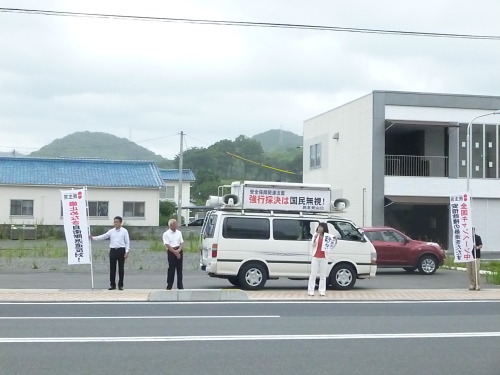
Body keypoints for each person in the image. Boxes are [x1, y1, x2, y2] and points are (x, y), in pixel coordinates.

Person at [90, 216, 130, 290]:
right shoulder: (111, 231)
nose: (115, 223)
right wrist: (93, 238)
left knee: (121, 269)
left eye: (117, 222)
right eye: (114, 222)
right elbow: (104, 236)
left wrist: (127, 251)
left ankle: (120, 285)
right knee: (112, 269)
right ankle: (112, 285)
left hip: (121, 250)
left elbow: (127, 242)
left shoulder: (124, 231)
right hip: (113, 251)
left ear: (121, 223)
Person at [308, 222, 337, 296]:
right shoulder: (315, 235)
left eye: (321, 227)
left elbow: (331, 246)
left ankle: (322, 290)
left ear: (324, 228)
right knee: (313, 274)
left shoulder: (327, 236)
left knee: (323, 275)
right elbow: (312, 245)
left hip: (324, 257)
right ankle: (311, 290)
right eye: (319, 227)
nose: (320, 228)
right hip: (315, 257)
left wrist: (334, 240)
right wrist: (314, 238)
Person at [163, 218, 184, 290]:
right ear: (171, 225)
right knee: (171, 268)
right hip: (171, 251)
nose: (176, 226)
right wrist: (174, 252)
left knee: (179, 269)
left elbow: (181, 242)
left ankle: (180, 285)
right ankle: (169, 285)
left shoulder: (179, 232)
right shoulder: (166, 234)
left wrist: (179, 250)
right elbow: (167, 244)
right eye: (175, 225)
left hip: (179, 249)